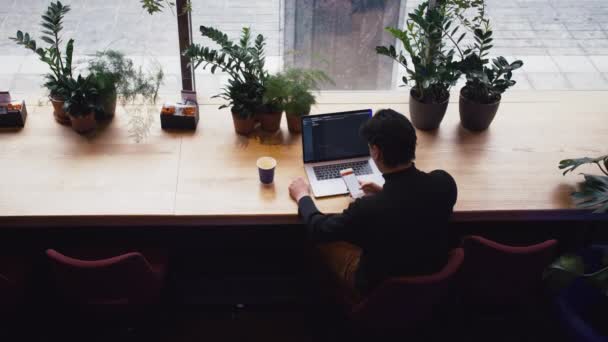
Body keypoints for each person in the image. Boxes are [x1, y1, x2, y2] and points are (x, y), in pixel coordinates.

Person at [289, 109, 457, 299]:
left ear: (375, 152)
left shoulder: (368, 209)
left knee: (318, 244)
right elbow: (411, 204)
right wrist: (383, 192)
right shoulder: (444, 182)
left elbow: (319, 229)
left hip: (379, 292)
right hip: (429, 285)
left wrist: (302, 196)